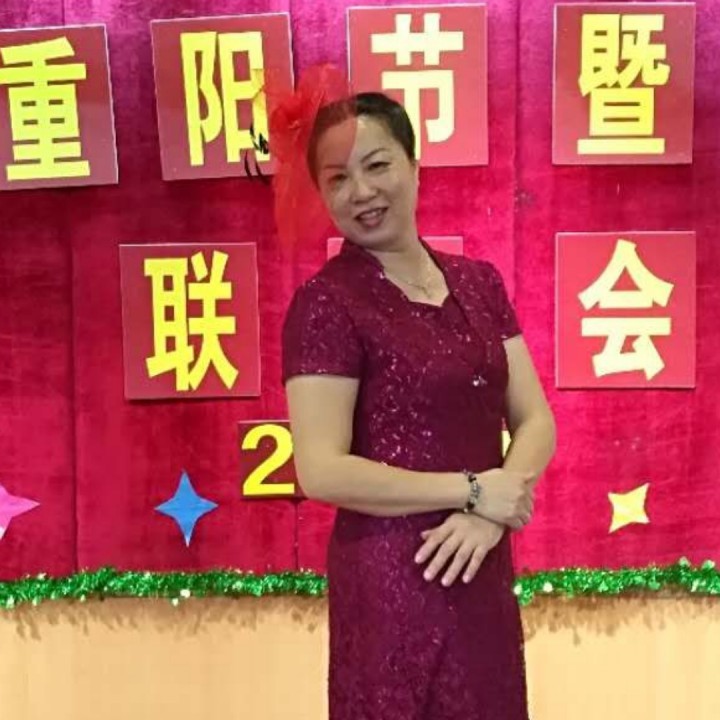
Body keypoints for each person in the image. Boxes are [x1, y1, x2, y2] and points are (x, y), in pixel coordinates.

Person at [280, 85, 556, 719]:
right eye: (338, 178)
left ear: (414, 165)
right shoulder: (326, 304)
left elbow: (535, 419)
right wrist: (472, 491)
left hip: (480, 561)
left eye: (377, 165)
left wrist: (489, 514)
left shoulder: (480, 284)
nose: (361, 191)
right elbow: (321, 470)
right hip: (391, 581)